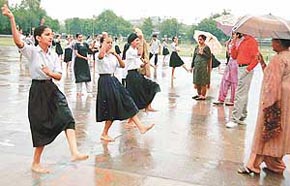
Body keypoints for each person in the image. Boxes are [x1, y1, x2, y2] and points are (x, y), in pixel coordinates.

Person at [1, 4, 88, 173]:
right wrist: (12, 18)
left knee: (67, 117)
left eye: (51, 34)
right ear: (38, 38)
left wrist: (49, 72)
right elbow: (18, 41)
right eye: (47, 34)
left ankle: (74, 151)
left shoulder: (53, 54)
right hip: (38, 91)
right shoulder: (32, 52)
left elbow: (59, 75)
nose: (51, 36)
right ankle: (36, 163)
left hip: (52, 89)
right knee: (40, 126)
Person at [238, 38, 290, 175]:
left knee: (265, 130)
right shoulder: (287, 57)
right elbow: (272, 75)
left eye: (274, 41)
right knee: (280, 131)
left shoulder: (278, 59)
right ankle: (275, 163)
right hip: (287, 100)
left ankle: (253, 164)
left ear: (279, 43)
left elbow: (272, 83)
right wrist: (262, 62)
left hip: (276, 99)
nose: (272, 43)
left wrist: (268, 103)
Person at [96, 36, 154, 142]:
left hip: (113, 80)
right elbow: (100, 55)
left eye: (111, 42)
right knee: (111, 108)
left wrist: (116, 54)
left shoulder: (112, 56)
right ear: (102, 44)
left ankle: (141, 127)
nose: (110, 44)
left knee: (127, 101)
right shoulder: (99, 55)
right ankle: (104, 133)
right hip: (105, 81)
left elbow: (122, 65)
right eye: (108, 43)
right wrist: (104, 45)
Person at [225, 33, 260, 128]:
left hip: (246, 68)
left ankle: (235, 118)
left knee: (239, 94)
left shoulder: (251, 41)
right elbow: (234, 56)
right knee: (243, 93)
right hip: (239, 67)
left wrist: (248, 69)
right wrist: (234, 43)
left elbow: (256, 58)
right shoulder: (240, 41)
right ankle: (242, 116)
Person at [125, 33, 161, 112]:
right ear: (132, 42)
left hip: (136, 74)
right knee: (135, 97)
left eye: (138, 40)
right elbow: (139, 54)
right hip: (132, 75)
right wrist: (141, 41)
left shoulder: (133, 50)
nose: (138, 42)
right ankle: (131, 120)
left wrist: (144, 64)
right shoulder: (130, 51)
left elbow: (139, 64)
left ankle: (147, 106)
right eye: (136, 40)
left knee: (152, 86)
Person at [213, 32, 239, 106]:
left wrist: (232, 44)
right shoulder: (231, 42)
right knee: (225, 81)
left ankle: (233, 100)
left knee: (234, 82)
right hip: (230, 62)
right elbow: (228, 54)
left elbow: (235, 54)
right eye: (232, 34)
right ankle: (221, 99)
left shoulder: (239, 43)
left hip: (236, 63)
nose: (233, 35)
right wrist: (227, 46)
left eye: (234, 34)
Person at [191, 34, 212, 100]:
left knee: (203, 81)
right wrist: (192, 66)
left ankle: (203, 95)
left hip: (203, 66)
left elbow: (209, 57)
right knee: (197, 81)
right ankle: (199, 94)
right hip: (197, 65)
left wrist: (203, 53)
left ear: (204, 40)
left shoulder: (206, 47)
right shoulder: (197, 47)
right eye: (199, 39)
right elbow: (194, 56)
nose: (199, 41)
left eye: (201, 39)